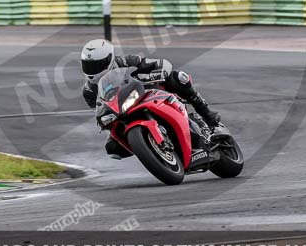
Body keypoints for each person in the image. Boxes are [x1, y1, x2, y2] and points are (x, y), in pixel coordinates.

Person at [80, 39, 222, 159]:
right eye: (88, 65)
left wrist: (157, 72)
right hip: (123, 112)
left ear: (109, 60)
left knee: (178, 78)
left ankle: (206, 113)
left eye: (97, 65)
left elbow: (157, 64)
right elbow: (99, 110)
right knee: (112, 148)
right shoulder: (89, 91)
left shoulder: (126, 61)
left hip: (148, 93)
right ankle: (150, 150)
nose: (92, 69)